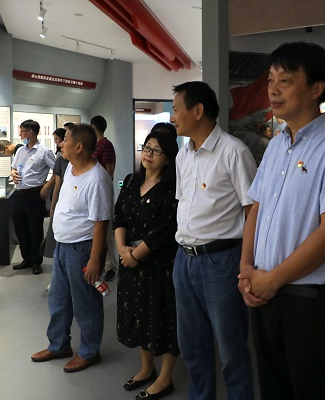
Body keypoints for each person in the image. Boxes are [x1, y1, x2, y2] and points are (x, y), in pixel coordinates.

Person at [239, 41, 325, 400]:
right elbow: (256, 208)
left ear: (315, 88)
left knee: (312, 390)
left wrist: (272, 280)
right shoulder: (276, 146)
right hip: (263, 292)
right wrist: (246, 268)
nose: (273, 89)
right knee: (273, 387)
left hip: (308, 302)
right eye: (271, 79)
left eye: (285, 80)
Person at [171, 81, 256, 400]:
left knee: (231, 348)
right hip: (184, 259)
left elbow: (252, 210)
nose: (173, 117)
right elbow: (184, 203)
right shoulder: (183, 155)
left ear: (198, 110)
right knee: (192, 346)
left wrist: (247, 263)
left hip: (221, 261)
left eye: (176, 109)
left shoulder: (234, 152)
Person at [31, 124, 113, 373]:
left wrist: (95, 260)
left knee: (85, 304)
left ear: (78, 147)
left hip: (82, 250)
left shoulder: (97, 179)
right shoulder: (69, 168)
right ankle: (59, 345)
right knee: (58, 300)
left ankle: (89, 352)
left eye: (65, 139)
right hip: (63, 246)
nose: (60, 144)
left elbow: (101, 223)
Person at [114, 123, 180, 400]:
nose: (149, 154)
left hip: (159, 263)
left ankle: (165, 378)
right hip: (130, 259)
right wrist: (122, 249)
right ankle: (146, 368)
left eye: (157, 151)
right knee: (139, 314)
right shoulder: (131, 180)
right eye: (147, 148)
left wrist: (136, 255)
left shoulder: (172, 187)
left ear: (169, 158)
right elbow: (119, 216)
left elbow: (167, 228)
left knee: (163, 317)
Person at [10, 119, 55, 275]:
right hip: (19, 193)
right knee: (20, 227)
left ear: (30, 132)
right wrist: (13, 174)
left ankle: (36, 261)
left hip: (34, 194)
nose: (20, 134)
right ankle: (27, 258)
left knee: (35, 229)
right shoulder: (21, 151)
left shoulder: (44, 151)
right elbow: (13, 168)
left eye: (22, 131)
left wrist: (46, 187)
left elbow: (58, 171)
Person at [90, 115, 119, 282]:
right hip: (93, 192)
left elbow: (110, 170)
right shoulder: (93, 145)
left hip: (103, 192)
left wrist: (104, 190)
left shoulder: (106, 145)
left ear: (94, 125)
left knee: (107, 230)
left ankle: (111, 266)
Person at [40, 128, 69, 259]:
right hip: (61, 202)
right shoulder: (60, 160)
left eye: (59, 140)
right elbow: (58, 185)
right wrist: (53, 207)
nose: (59, 144)